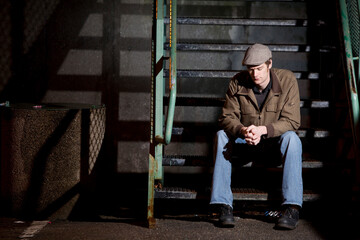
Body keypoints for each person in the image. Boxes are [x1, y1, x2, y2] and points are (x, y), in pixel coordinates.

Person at [210, 43, 303, 230]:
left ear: (269, 64)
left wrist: (263, 130)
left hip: (272, 145)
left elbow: (292, 121)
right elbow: (226, 118)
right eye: (251, 69)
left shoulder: (287, 80)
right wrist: (243, 131)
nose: (255, 74)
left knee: (292, 139)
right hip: (245, 143)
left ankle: (291, 208)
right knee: (221, 135)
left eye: (259, 69)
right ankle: (223, 205)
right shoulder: (237, 82)